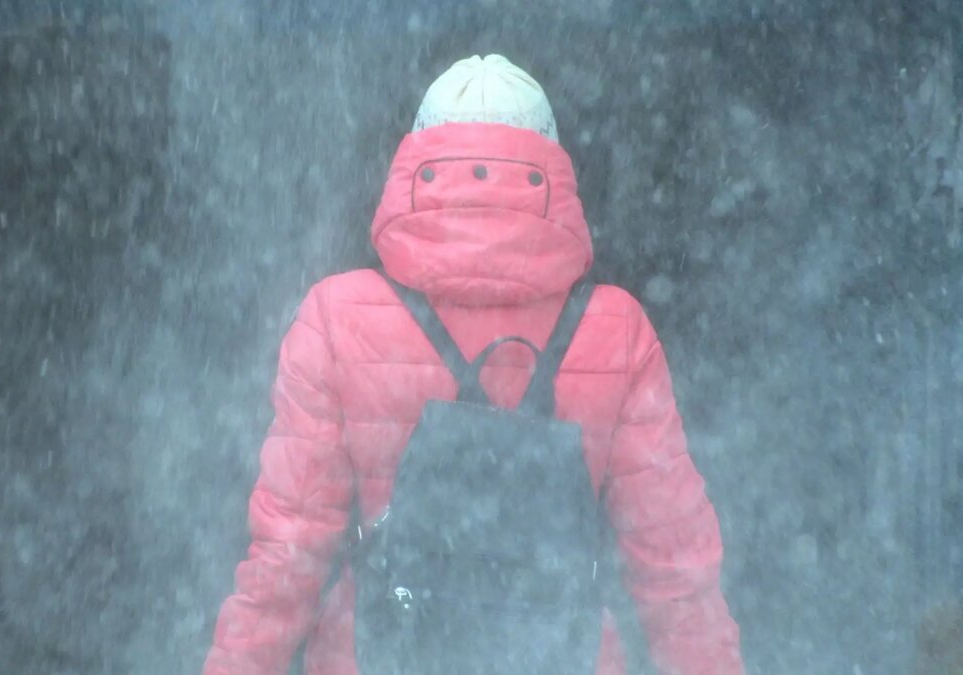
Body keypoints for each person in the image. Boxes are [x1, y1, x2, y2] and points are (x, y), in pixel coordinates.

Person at [204, 54, 743, 675]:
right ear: (553, 169)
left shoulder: (336, 313)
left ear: (416, 162)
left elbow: (287, 556)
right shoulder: (616, 330)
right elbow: (677, 574)